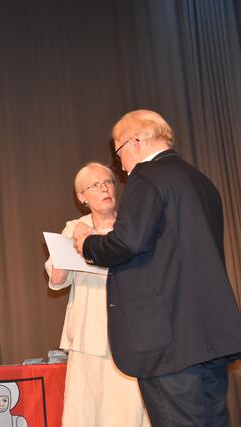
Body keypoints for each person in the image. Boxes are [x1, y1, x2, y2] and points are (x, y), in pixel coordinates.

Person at [72, 110, 241, 426]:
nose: (122, 167)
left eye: (119, 154)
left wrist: (88, 245)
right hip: (208, 337)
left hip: (168, 339)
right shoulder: (201, 181)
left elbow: (128, 242)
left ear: (134, 142)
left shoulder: (147, 177)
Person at [45, 162, 149, 426]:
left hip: (129, 330)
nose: (105, 189)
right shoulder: (73, 227)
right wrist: (70, 245)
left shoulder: (130, 227)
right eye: (96, 185)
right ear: (82, 197)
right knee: (87, 410)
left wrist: (95, 241)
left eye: (108, 182)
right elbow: (57, 280)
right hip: (87, 334)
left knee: (129, 410)